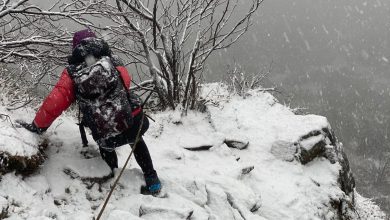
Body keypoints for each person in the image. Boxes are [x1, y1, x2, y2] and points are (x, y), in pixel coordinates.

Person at [19, 29, 161, 194]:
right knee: (136, 141)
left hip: (105, 134)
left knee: (106, 144)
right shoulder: (113, 60)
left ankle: (113, 174)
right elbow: (126, 82)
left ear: (75, 48)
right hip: (131, 123)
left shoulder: (72, 72)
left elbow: (55, 102)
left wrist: (38, 126)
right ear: (96, 42)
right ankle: (152, 180)